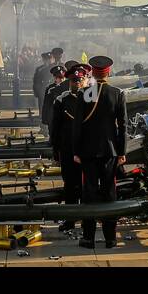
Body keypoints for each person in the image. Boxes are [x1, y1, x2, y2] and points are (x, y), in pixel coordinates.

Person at [70, 55, 128, 249]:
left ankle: (89, 238)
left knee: (89, 194)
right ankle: (111, 238)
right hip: (110, 151)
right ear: (109, 72)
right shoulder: (117, 93)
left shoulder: (86, 93)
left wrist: (76, 151)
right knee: (110, 192)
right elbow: (123, 126)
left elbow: (77, 126)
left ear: (92, 72)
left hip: (87, 152)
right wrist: (122, 152)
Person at [49, 62, 89, 232]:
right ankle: (71, 218)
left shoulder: (91, 98)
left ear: (86, 80)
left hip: (87, 150)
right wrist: (55, 151)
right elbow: (55, 128)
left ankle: (88, 218)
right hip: (68, 150)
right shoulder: (62, 100)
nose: (77, 83)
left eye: (80, 80)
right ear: (69, 81)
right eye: (74, 80)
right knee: (70, 186)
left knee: (87, 186)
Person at [39, 63, 65, 134]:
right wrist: (45, 118)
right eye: (58, 77)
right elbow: (46, 104)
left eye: (62, 77)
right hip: (52, 114)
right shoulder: (50, 88)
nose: (60, 79)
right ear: (54, 78)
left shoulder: (67, 87)